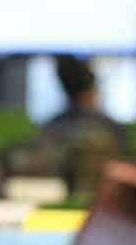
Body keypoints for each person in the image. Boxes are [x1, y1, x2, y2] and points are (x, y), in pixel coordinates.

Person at [30, 55, 128, 195]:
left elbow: (38, 168)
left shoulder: (52, 128)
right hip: (104, 202)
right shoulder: (113, 128)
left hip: (57, 203)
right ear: (93, 88)